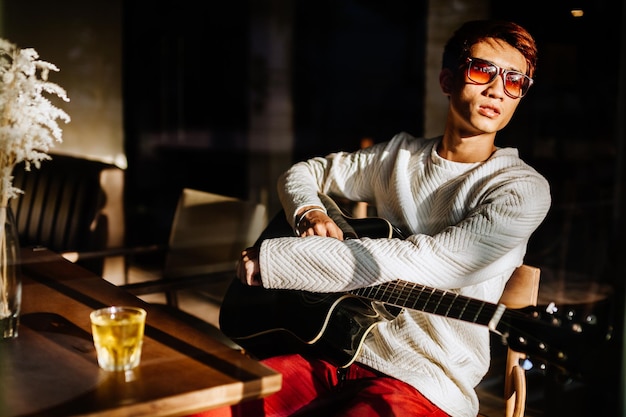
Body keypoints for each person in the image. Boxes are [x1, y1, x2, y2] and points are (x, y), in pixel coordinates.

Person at [200, 19, 551, 417]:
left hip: (428, 380)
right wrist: (308, 212)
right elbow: (302, 173)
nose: (496, 90)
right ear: (447, 79)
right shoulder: (398, 158)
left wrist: (283, 261)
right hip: (335, 349)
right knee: (203, 405)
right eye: (482, 70)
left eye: (514, 82)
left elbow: (431, 262)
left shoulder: (522, 189)